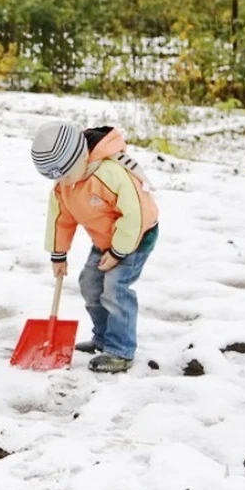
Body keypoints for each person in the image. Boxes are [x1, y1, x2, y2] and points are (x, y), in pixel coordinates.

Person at [30, 122, 160, 373]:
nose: (63, 182)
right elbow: (61, 218)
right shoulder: (65, 185)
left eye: (65, 175)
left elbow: (136, 214)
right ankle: (103, 337)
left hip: (136, 236)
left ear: (81, 156)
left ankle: (121, 350)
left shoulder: (111, 174)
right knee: (90, 284)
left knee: (114, 288)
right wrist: (58, 254)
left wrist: (118, 252)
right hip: (106, 239)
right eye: (56, 178)